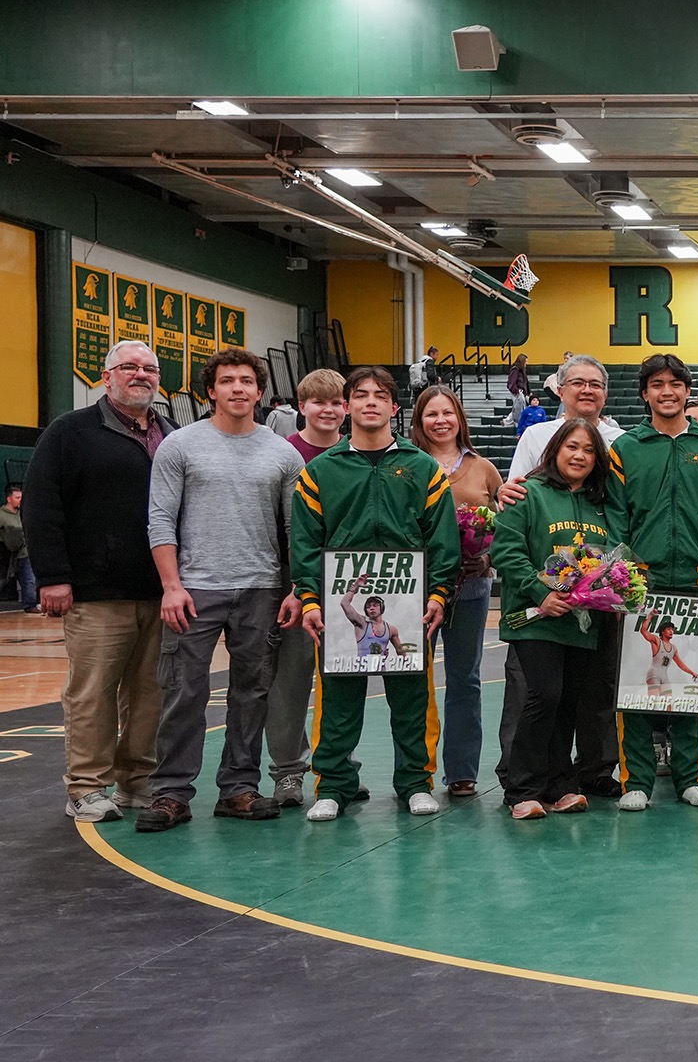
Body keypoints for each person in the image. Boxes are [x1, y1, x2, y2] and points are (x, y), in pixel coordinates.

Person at [136, 347, 304, 832]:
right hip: (194, 590)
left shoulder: (282, 452)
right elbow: (160, 518)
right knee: (183, 692)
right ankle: (171, 794)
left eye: (246, 381)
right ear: (210, 390)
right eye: (227, 381)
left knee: (252, 693)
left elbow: (297, 530)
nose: (237, 389)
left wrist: (296, 588)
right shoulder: (180, 446)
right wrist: (171, 586)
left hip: (261, 589)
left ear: (259, 391)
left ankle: (238, 788)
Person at [290, 366, 459, 821]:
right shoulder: (320, 472)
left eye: (379, 395)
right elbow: (305, 542)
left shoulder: (424, 469)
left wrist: (439, 594)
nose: (370, 402)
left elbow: (443, 540)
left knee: (412, 700)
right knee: (338, 702)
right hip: (340, 608)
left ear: (394, 407)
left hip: (408, 606)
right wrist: (309, 599)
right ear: (346, 407)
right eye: (360, 395)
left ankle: (415, 783)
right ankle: (333, 786)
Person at [25, 340, 178, 822]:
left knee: (151, 693)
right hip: (96, 592)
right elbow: (41, 504)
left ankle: (137, 781)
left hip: (161, 592)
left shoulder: (171, 433)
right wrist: (53, 576)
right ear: (106, 377)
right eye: (128, 367)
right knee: (92, 693)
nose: (140, 375)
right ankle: (87, 787)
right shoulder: (69, 432)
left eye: (149, 369)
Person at [605, 353, 698, 810]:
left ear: (688, 392)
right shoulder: (624, 449)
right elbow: (614, 520)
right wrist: (622, 578)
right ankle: (637, 782)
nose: (667, 391)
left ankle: (691, 776)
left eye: (675, 384)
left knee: (692, 684)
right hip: (639, 587)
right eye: (657, 384)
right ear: (644, 393)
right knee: (637, 685)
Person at [500, 354, 624, 798]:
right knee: (539, 697)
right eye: (572, 448)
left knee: (571, 701)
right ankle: (520, 787)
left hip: (583, 618)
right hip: (536, 613)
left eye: (589, 451)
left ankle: (561, 781)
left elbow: (616, 547)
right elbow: (509, 541)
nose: (581, 455)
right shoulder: (532, 470)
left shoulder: (602, 495)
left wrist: (616, 587)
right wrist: (540, 592)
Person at [410, 386, 503, 798]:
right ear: (419, 421)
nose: (441, 420)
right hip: (415, 593)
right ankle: (415, 772)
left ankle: (462, 771)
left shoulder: (483, 468)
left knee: (465, 679)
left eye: (448, 412)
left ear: (460, 419)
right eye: (431, 414)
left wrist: (488, 559)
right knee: (412, 681)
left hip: (470, 592)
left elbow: (507, 527)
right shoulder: (406, 465)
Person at [263, 368, 347, 805]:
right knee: (291, 680)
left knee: (343, 680)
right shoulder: (281, 453)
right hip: (295, 582)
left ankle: (339, 768)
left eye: (335, 402)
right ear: (302, 407)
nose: (327, 409)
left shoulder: (358, 452)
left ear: (346, 408)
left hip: (349, 580)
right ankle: (288, 772)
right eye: (318, 402)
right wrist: (296, 582)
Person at [1, 485, 33, 612]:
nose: (20, 500)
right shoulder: (1, 515)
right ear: (9, 499)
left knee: (29, 579)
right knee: (3, 580)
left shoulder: (23, 514)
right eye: (17, 497)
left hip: (24, 553)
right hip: (7, 555)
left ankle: (30, 604)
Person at [504, 353, 531, 428]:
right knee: (518, 407)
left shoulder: (522, 370)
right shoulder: (515, 370)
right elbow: (512, 382)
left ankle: (507, 421)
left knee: (518, 407)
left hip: (521, 391)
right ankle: (512, 422)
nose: (527, 363)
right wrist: (516, 390)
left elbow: (526, 382)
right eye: (526, 362)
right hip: (517, 392)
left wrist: (528, 392)